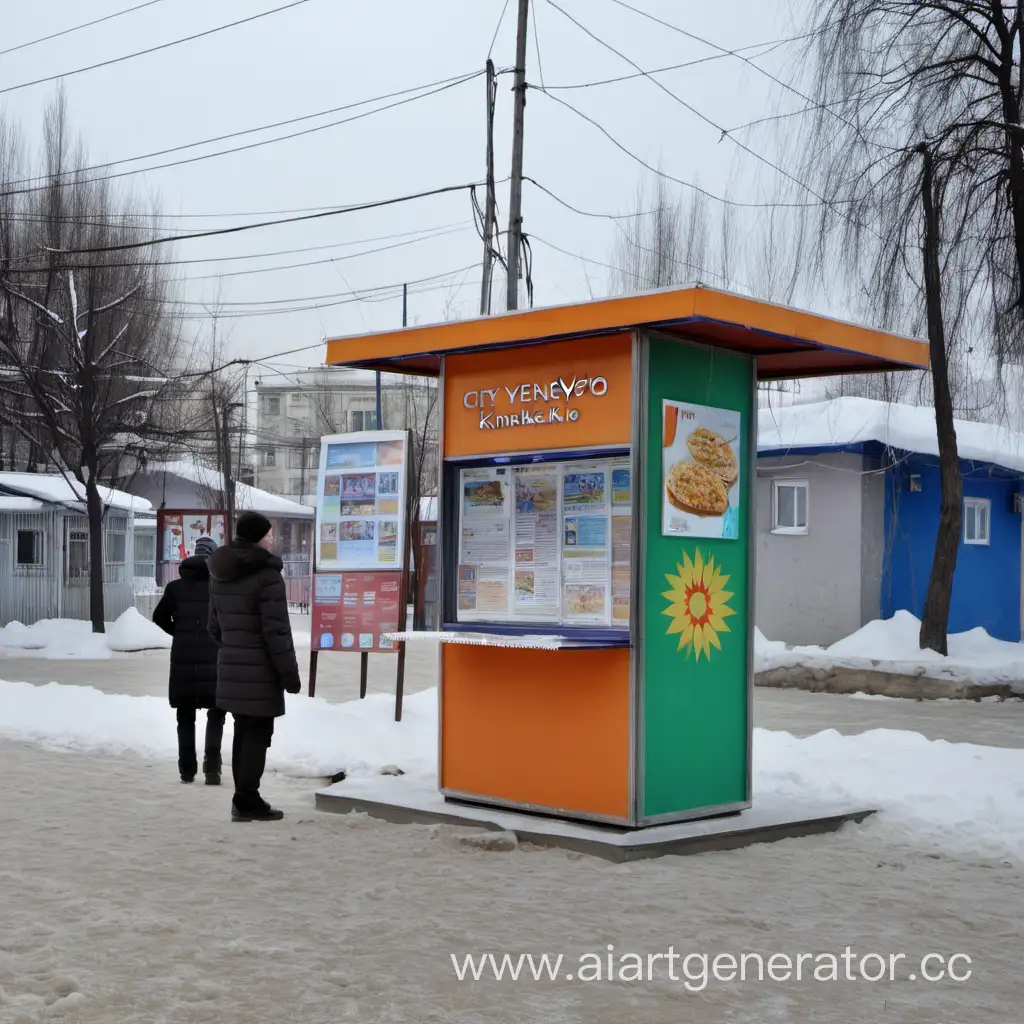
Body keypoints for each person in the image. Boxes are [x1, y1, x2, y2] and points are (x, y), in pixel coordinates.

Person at [208, 511, 301, 822]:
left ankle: (242, 798)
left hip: (233, 669)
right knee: (258, 734)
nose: (272, 539)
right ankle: (248, 798)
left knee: (243, 731)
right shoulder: (267, 576)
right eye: (268, 534)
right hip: (260, 672)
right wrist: (289, 674)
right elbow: (276, 632)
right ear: (258, 538)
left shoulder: (220, 572)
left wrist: (236, 650)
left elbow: (214, 628)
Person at [153, 536, 226, 785]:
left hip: (183, 660)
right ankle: (213, 769)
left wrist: (179, 632)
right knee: (216, 713)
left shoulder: (175, 588)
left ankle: (186, 769)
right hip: (215, 658)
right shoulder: (221, 586)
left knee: (185, 716)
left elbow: (159, 616)